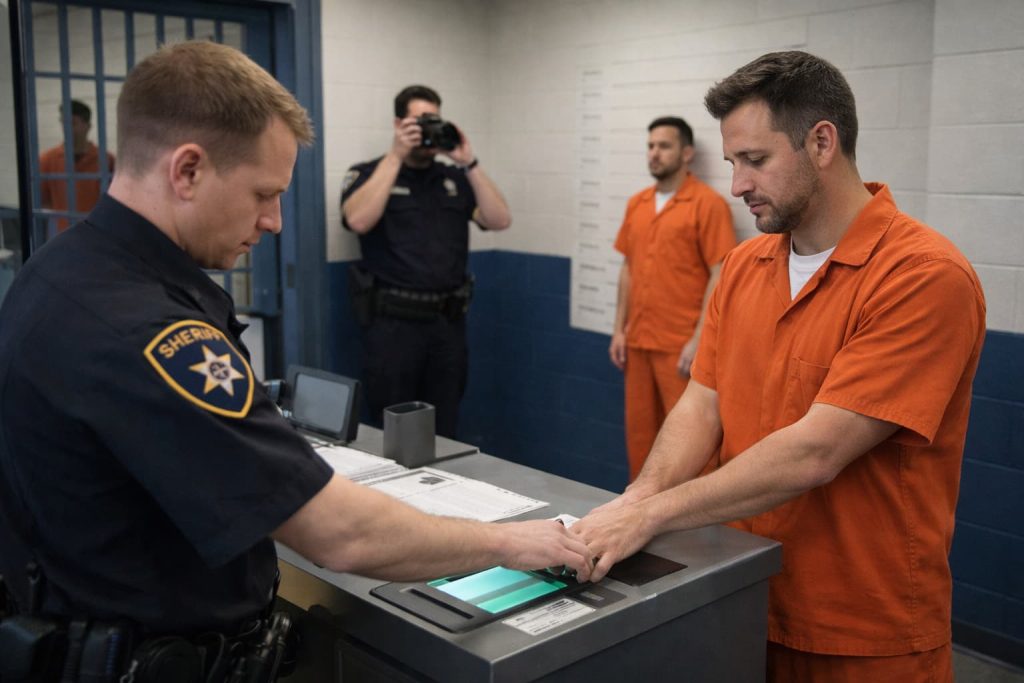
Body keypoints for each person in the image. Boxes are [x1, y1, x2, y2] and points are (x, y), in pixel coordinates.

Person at [0, 41, 590, 653]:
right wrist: (513, 542)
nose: (275, 220)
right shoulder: (152, 332)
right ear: (188, 170)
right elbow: (341, 536)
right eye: (263, 194)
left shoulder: (54, 272)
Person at [574, 51, 985, 681]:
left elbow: (816, 450)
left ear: (823, 142)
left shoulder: (922, 277)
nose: (736, 184)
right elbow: (702, 401)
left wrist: (652, 514)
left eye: (755, 160)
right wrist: (637, 497)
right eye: (733, 160)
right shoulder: (745, 268)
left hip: (860, 631)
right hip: (742, 592)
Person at [341, 85, 511, 438]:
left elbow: (500, 220)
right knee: (394, 429)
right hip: (393, 327)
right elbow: (357, 220)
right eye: (418, 121)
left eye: (433, 120)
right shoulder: (370, 172)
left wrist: (470, 162)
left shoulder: (453, 179)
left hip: (446, 326)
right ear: (398, 123)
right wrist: (395, 156)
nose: (426, 130)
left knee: (444, 428)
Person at [609, 116, 735, 481]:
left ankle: (695, 529)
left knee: (690, 445)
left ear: (686, 153)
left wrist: (699, 339)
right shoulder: (638, 204)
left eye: (663, 146)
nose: (654, 154)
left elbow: (720, 272)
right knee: (640, 439)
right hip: (639, 342)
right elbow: (628, 268)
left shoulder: (707, 205)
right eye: (650, 146)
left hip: (681, 347)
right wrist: (619, 330)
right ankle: (634, 516)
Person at [39, 99, 115, 232]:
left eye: (73, 123)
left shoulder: (106, 160)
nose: (67, 128)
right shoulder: (47, 160)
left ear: (88, 126)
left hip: (97, 233)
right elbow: (42, 199)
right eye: (64, 123)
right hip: (62, 234)